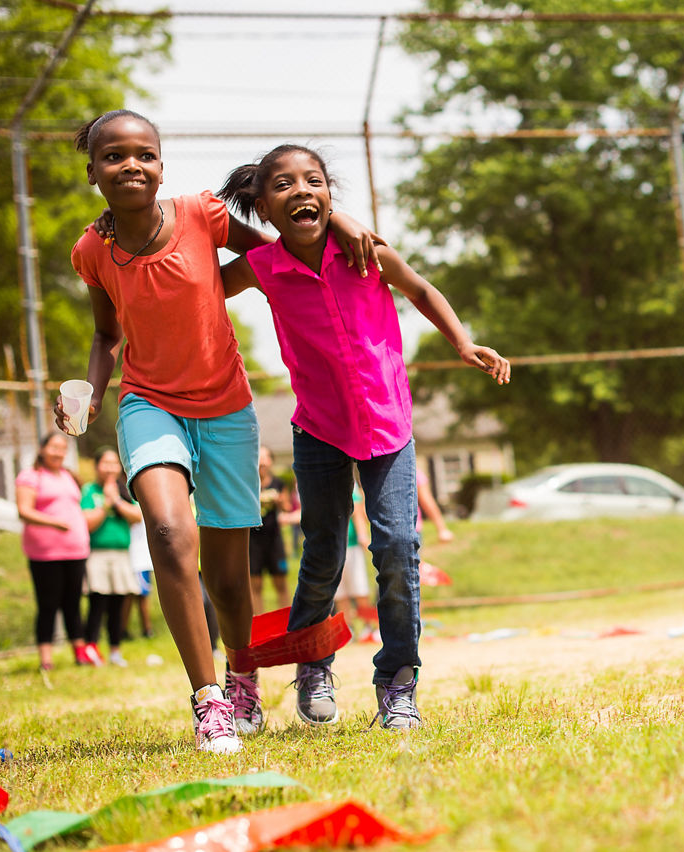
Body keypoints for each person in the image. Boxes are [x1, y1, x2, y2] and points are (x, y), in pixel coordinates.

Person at [59, 109, 381, 753]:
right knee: (171, 531)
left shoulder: (202, 215)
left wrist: (337, 221)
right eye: (114, 157)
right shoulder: (93, 251)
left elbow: (275, 250)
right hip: (148, 404)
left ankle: (241, 676)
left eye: (144, 154)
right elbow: (104, 333)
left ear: (160, 163)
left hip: (227, 409)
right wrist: (92, 389)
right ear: (92, 172)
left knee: (229, 580)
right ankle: (208, 701)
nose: (131, 166)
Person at [218, 143, 510, 729]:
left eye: (314, 181)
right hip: (319, 430)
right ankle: (313, 663)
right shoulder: (263, 267)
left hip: (387, 426)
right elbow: (195, 278)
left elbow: (421, 289)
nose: (302, 191)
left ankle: (398, 681)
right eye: (283, 186)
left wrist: (462, 342)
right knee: (322, 553)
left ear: (330, 195)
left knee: (398, 549)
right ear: (262, 208)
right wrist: (134, 229)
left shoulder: (365, 252)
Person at [15, 433, 92, 672]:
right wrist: (54, 523)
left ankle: (80, 654)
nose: (58, 452)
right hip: (46, 553)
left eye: (62, 448)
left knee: (73, 603)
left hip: (76, 550)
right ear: (42, 448)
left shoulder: (69, 476)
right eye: (53, 447)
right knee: (48, 605)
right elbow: (23, 511)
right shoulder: (31, 476)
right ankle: (46, 660)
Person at [80, 448, 143, 667]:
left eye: (114, 463)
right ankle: (91, 648)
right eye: (105, 463)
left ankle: (115, 650)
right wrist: (106, 505)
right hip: (97, 555)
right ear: (96, 466)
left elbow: (137, 517)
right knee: (97, 603)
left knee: (118, 605)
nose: (109, 468)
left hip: (122, 555)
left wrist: (116, 501)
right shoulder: (89, 490)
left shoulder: (124, 490)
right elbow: (86, 522)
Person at [248, 446, 293, 615]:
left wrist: (279, 501)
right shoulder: (249, 485)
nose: (262, 461)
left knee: (280, 582)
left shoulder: (278, 484)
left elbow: (287, 507)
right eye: (259, 457)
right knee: (255, 584)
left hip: (274, 539)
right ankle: (259, 624)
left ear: (271, 461)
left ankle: (285, 623)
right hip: (253, 540)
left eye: (265, 457)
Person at [334, 484, 377, 639]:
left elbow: (357, 513)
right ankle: (347, 629)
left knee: (360, 590)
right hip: (333, 546)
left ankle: (368, 627)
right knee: (340, 593)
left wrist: (363, 536)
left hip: (352, 545)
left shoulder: (350, 485)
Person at [122, 513, 155, 641]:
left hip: (141, 559)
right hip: (137, 558)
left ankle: (146, 629)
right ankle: (142, 629)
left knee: (141, 595)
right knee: (134, 596)